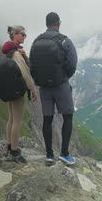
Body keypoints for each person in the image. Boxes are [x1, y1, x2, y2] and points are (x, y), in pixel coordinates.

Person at [30, 12, 78, 165]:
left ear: (46, 24)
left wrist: (42, 79)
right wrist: (63, 77)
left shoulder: (36, 41)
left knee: (47, 119)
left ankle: (49, 155)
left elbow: (32, 65)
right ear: (59, 23)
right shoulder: (65, 41)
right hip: (61, 85)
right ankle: (64, 153)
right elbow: (72, 63)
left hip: (44, 87)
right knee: (68, 116)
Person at [1, 25, 37, 163]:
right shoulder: (16, 53)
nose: (24, 37)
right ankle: (15, 152)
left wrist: (25, 56)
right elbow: (25, 72)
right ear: (14, 35)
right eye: (22, 34)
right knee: (17, 121)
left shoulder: (9, 51)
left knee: (11, 118)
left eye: (25, 34)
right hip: (17, 90)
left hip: (9, 89)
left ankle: (9, 146)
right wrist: (32, 89)